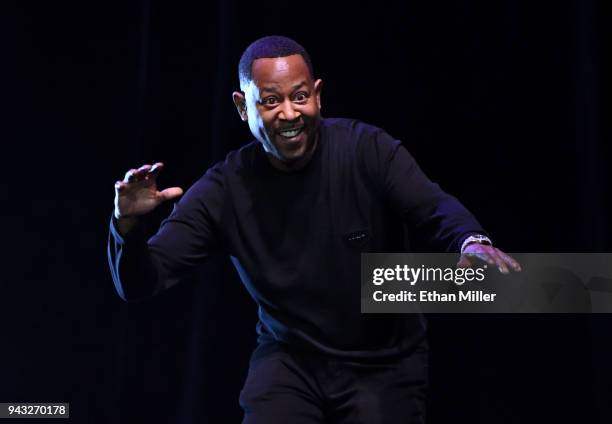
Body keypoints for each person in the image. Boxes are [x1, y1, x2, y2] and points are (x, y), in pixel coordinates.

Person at [108, 35, 520, 423]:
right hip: (290, 358)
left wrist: (472, 242)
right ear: (242, 106)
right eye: (270, 101)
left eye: (299, 97)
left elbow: (433, 206)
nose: (289, 114)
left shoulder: (367, 149)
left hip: (383, 360)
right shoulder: (224, 190)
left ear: (317, 95)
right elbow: (143, 282)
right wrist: (126, 227)